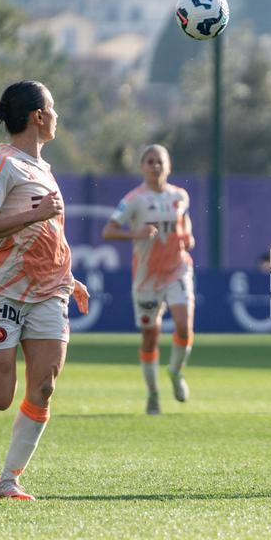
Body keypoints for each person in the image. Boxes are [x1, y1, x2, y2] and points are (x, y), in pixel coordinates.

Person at [0, 80, 90, 500]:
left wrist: (69, 278)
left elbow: (50, 232)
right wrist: (33, 213)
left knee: (46, 386)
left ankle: (8, 481)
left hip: (50, 291)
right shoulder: (1, 164)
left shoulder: (44, 170)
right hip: (6, 292)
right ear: (38, 116)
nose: (56, 115)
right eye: (52, 108)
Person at [102, 145, 195, 414]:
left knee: (183, 326)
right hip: (146, 278)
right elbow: (108, 231)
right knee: (150, 336)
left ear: (169, 166)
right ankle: (153, 394)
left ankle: (176, 373)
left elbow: (184, 221)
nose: (155, 166)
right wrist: (136, 234)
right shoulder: (134, 199)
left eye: (160, 162)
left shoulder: (180, 195)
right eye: (150, 161)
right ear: (143, 167)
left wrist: (188, 235)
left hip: (177, 269)